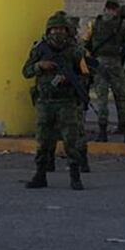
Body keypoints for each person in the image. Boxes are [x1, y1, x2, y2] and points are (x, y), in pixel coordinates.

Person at [22, 12, 90, 190]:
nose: (57, 32)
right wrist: (40, 66)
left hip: (66, 102)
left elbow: (86, 75)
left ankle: (75, 176)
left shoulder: (75, 50)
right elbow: (26, 71)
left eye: (61, 29)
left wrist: (71, 80)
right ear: (48, 30)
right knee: (43, 140)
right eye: (54, 29)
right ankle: (40, 175)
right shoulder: (40, 49)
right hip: (45, 101)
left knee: (71, 140)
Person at [83, 0, 125, 143]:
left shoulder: (94, 23)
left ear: (105, 7)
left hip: (99, 65)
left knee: (102, 100)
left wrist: (90, 63)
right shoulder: (122, 24)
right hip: (116, 64)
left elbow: (83, 44)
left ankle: (102, 133)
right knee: (121, 99)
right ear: (117, 9)